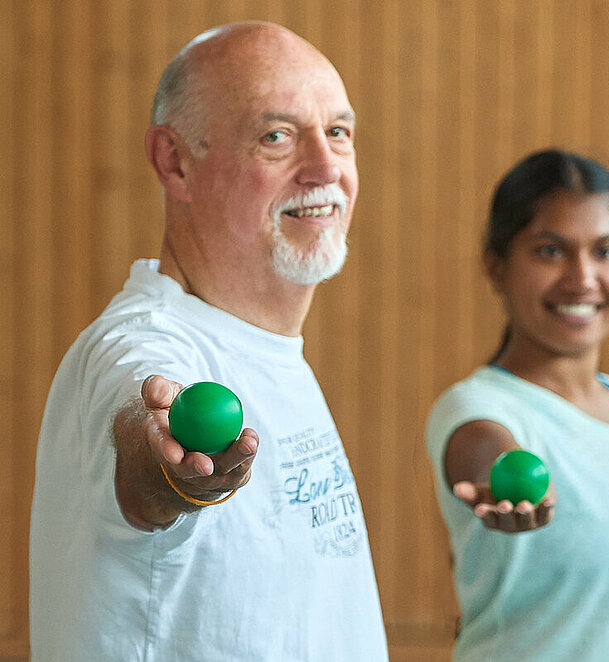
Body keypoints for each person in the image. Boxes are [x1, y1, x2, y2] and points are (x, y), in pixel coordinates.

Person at [27, 22, 386, 660]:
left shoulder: (264, 346)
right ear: (175, 162)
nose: (325, 167)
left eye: (337, 132)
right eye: (276, 137)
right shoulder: (142, 343)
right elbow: (144, 425)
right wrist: (173, 466)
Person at [424, 150, 609, 661]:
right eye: (551, 251)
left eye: (605, 251)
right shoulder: (478, 409)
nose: (582, 278)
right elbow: (487, 454)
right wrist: (502, 490)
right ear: (496, 265)